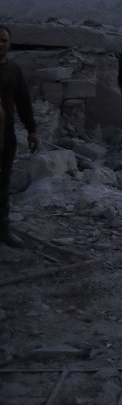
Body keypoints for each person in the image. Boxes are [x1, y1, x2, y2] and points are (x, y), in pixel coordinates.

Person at [0, 26, 38, 247]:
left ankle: (2, 230)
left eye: (4, 40)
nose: (0, 44)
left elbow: (23, 102)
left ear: (9, 43)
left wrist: (32, 130)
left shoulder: (14, 70)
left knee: (3, 183)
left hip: (6, 136)